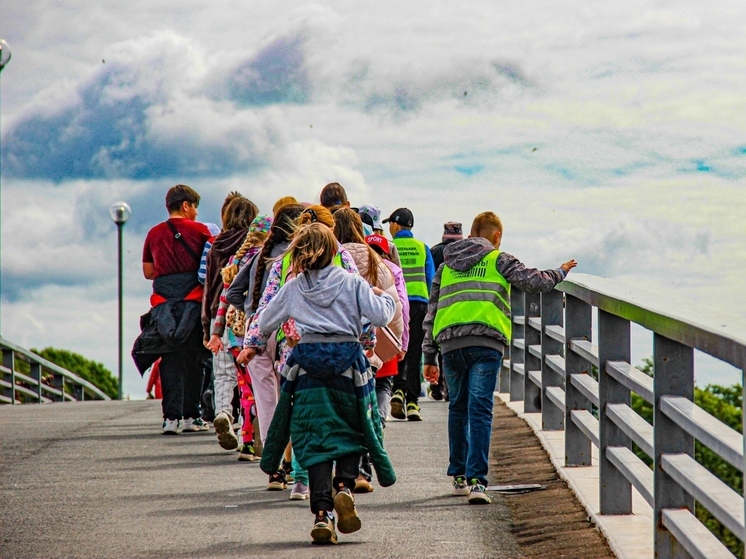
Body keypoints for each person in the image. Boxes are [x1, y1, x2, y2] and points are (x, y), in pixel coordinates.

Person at [422, 211, 577, 504]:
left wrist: (428, 354)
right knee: (480, 409)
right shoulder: (499, 259)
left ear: (471, 233)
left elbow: (432, 311)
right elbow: (536, 281)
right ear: (496, 236)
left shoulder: (445, 267)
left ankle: (458, 476)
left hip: (450, 343)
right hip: (486, 342)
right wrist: (561, 271)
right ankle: (478, 481)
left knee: (458, 407)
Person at [256, 223, 397, 545]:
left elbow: (265, 322)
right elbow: (380, 317)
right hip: (349, 365)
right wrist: (384, 299)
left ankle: (322, 514)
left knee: (315, 439)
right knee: (352, 429)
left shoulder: (293, 287)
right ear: (335, 251)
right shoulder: (352, 282)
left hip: (306, 369)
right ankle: (344, 487)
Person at [238, 204, 361, 499]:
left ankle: (302, 479)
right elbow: (361, 301)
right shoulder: (342, 257)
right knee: (346, 416)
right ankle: (343, 480)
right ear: (331, 231)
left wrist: (252, 344)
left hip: (294, 350)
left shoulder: (284, 261)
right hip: (343, 351)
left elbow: (268, 305)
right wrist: (368, 344)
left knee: (303, 416)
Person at [333, 208, 404, 492]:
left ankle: (345, 475)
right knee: (368, 405)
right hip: (370, 348)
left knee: (343, 411)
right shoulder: (378, 261)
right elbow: (396, 310)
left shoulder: (331, 259)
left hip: (337, 348)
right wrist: (394, 345)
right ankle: (363, 470)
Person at [135, 184, 213, 434]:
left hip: (163, 305)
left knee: (169, 359)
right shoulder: (201, 232)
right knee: (195, 359)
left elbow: (148, 272)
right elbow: (209, 267)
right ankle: (192, 416)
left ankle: (171, 418)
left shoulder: (153, 234)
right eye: (195, 207)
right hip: (193, 302)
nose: (197, 214)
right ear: (186, 205)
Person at [207, 213, 273, 460]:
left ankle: (246, 441)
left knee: (245, 390)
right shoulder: (266, 260)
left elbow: (224, 301)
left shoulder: (235, 260)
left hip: (234, 336)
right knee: (260, 390)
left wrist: (216, 333)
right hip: (256, 334)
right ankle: (258, 438)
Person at [202, 196, 259, 450]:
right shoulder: (255, 245)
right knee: (251, 377)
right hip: (247, 317)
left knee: (224, 375)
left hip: (220, 315)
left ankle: (224, 412)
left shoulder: (215, 246)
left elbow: (208, 288)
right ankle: (253, 429)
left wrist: (208, 327)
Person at [382, 207, 435, 421]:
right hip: (420, 304)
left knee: (397, 347)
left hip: (396, 303)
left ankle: (398, 389)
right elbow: (431, 280)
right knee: (414, 351)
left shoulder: (390, 246)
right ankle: (413, 402)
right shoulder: (423, 248)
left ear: (395, 225)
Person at [427, 221, 464, 400]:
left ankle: (436, 387)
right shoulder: (465, 252)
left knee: (436, 343)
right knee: (450, 346)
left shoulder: (434, 251)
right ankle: (451, 389)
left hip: (437, 302)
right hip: (457, 304)